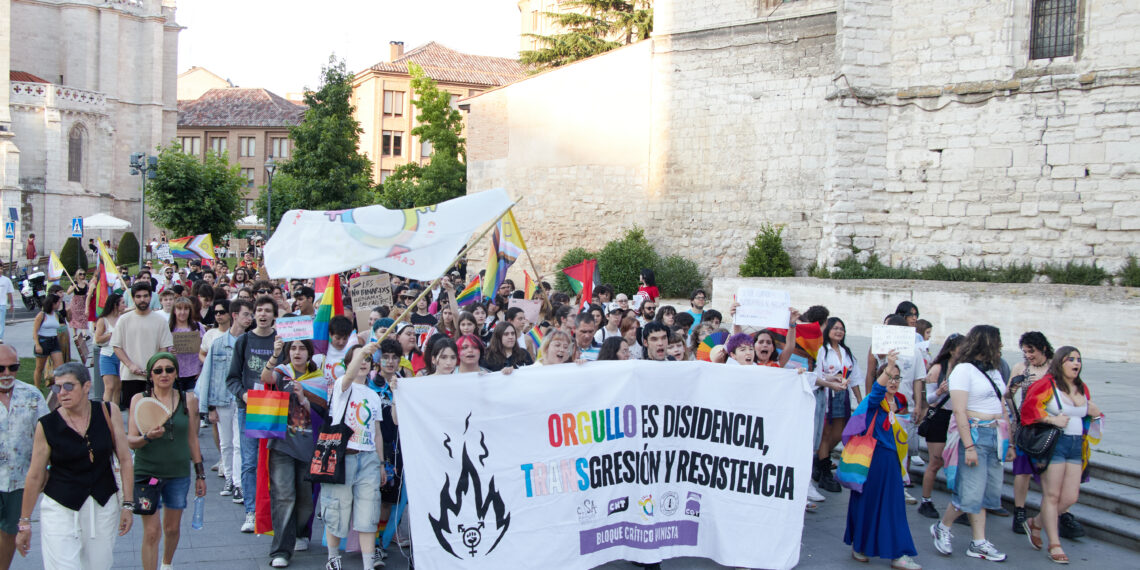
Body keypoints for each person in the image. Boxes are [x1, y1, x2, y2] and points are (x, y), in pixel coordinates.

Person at [16, 363, 134, 569]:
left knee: (99, 564)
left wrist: (128, 505)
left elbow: (125, 459)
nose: (62, 393)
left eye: (69, 387)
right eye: (57, 388)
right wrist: (24, 522)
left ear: (87, 386)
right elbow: (35, 476)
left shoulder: (107, 411)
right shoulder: (47, 425)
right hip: (60, 505)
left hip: (102, 502)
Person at [931, 325, 1015, 562]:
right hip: (975, 434)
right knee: (971, 491)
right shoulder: (963, 371)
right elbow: (958, 410)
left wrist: (1009, 443)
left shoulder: (995, 371)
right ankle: (944, 526)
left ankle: (978, 541)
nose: (1000, 347)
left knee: (988, 492)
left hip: (995, 434)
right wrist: (968, 446)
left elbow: (1003, 406)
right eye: (996, 342)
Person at [1019, 346, 1102, 564]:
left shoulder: (1081, 387)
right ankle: (1054, 544)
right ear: (1060, 363)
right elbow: (1028, 410)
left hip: (1076, 445)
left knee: (1070, 497)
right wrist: (1051, 419)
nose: (1076, 363)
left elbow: (1089, 416)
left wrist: (1094, 415)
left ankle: (1036, 522)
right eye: (1070, 359)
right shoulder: (1047, 384)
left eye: (1078, 359)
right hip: (1054, 444)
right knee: (1052, 496)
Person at [127, 353, 207, 570]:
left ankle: (166, 564)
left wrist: (200, 473)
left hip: (178, 473)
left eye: (169, 369)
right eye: (158, 370)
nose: (164, 374)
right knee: (152, 531)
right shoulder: (139, 399)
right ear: (150, 375)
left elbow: (192, 439)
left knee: (172, 528)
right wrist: (147, 437)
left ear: (176, 373)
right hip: (147, 473)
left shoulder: (187, 399)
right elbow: (131, 441)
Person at [844, 351, 921, 569]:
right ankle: (859, 545)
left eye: (897, 378)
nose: (893, 381)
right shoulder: (873, 400)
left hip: (890, 460)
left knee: (893, 505)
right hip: (871, 459)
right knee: (865, 501)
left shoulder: (895, 402)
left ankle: (898, 553)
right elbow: (877, 389)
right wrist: (890, 366)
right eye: (890, 377)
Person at [322, 343, 388, 570]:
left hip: (368, 458)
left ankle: (368, 564)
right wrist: (362, 349)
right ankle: (333, 559)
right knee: (336, 509)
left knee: (368, 512)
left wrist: (380, 463)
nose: (362, 363)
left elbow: (377, 433)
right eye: (358, 359)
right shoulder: (342, 385)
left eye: (367, 360)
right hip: (343, 456)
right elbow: (349, 375)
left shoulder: (373, 395)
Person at [261, 338, 320, 566]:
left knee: (305, 499)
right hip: (282, 445)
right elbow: (265, 378)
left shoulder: (318, 379)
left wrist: (305, 400)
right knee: (284, 496)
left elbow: (323, 410)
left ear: (309, 353)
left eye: (302, 348)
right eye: (293, 348)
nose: (297, 352)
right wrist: (275, 353)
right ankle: (280, 551)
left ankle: (300, 532)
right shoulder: (281, 373)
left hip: (308, 447)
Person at [227, 295, 278, 532]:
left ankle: (271, 511)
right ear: (254, 314)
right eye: (259, 310)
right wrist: (243, 395)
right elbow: (232, 378)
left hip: (276, 408)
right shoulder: (244, 341)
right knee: (249, 461)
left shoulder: (281, 341)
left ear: (274, 315)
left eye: (268, 310)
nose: (263, 314)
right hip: (250, 407)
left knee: (274, 462)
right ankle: (251, 511)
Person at [1005, 332, 1063, 536]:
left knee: (1050, 471)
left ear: (1043, 348)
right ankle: (1019, 512)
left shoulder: (1055, 368)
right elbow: (1008, 398)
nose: (1028, 355)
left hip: (1050, 426)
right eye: (1025, 351)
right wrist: (1013, 387)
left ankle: (1056, 514)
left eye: (1032, 351)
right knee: (1022, 471)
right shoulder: (1020, 368)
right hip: (1026, 425)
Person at [198, 299, 252, 500]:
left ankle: (238, 483)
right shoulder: (218, 344)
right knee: (226, 442)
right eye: (246, 314)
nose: (250, 318)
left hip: (241, 399)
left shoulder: (249, 341)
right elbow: (208, 375)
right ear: (235, 315)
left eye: (251, 315)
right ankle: (229, 478)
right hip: (221, 399)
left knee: (239, 443)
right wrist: (209, 407)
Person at [0, 345, 48, 569]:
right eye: (1, 369)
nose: (7, 373)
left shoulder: (32, 394)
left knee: (9, 532)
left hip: (20, 482)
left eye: (13, 367)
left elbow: (49, 436)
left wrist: (47, 470)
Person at [915, 333, 964, 519]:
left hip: (956, 417)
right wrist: (940, 391)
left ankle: (958, 504)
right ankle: (926, 500)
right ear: (952, 350)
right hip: (939, 417)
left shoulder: (964, 369)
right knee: (935, 462)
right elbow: (929, 398)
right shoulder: (937, 369)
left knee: (957, 463)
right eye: (961, 348)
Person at [815, 317, 864, 493]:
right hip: (827, 392)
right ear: (828, 330)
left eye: (841, 328)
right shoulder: (822, 350)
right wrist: (831, 379)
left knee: (839, 432)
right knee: (826, 433)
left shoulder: (847, 352)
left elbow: (855, 377)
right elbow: (818, 373)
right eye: (835, 328)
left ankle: (819, 460)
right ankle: (824, 470)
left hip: (842, 396)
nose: (838, 331)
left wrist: (859, 399)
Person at [111, 282, 175, 407]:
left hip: (155, 376)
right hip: (130, 376)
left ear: (150, 297)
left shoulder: (160, 321)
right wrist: (130, 365)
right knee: (133, 414)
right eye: (138, 296)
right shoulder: (124, 320)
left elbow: (164, 348)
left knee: (155, 413)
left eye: (145, 296)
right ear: (133, 298)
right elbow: (117, 346)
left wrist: (154, 367)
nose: (142, 299)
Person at [95, 294, 127, 405]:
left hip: (121, 355)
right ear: (115, 305)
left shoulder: (123, 318)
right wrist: (111, 334)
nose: (125, 305)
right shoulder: (103, 320)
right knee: (109, 387)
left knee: (118, 387)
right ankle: (106, 412)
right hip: (107, 355)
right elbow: (97, 339)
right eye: (122, 303)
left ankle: (115, 412)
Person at [169, 297, 205, 392]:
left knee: (192, 403)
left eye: (186, 309)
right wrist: (170, 353)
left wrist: (202, 370)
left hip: (194, 374)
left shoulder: (198, 326)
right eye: (179, 309)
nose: (183, 312)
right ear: (174, 311)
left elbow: (205, 349)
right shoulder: (168, 328)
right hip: (174, 375)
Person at [31, 293, 65, 390]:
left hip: (54, 341)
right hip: (43, 341)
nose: (59, 304)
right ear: (53, 303)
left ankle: (59, 386)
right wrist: (37, 345)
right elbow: (35, 331)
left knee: (60, 367)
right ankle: (37, 388)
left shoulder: (56, 314)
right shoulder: (42, 315)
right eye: (58, 302)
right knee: (39, 368)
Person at [65, 269, 91, 366]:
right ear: (77, 275)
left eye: (84, 274)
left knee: (84, 317)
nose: (82, 276)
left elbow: (89, 291)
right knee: (75, 317)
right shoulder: (74, 283)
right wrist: (74, 287)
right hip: (76, 302)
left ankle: (84, 334)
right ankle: (75, 333)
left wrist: (87, 284)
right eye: (80, 274)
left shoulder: (86, 283)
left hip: (83, 301)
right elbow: (68, 292)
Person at [0, 271, 12, 343]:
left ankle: (0, 337)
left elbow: (9, 293)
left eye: (1, 268)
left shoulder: (6, 280)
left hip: (2, 304)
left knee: (1, 321)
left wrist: (11, 304)